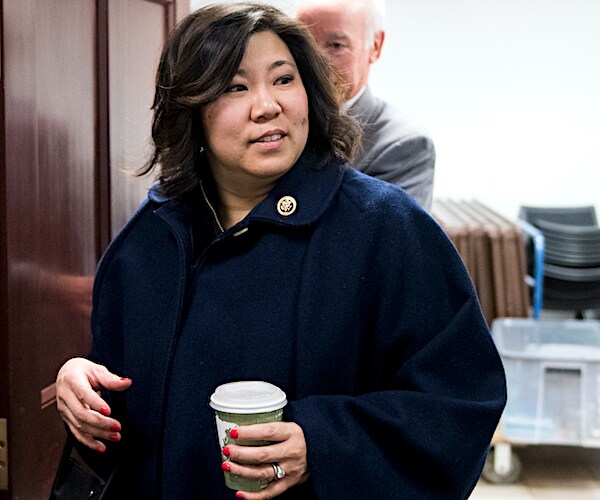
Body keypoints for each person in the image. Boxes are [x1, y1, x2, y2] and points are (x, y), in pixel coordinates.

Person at [54, 3, 505, 499]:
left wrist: (322, 444)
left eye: (283, 79)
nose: (267, 105)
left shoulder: (385, 227)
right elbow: (119, 375)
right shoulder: (154, 229)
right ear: (191, 109)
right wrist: (82, 383)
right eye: (235, 86)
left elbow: (460, 402)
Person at [296, 0, 436, 211]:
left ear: (375, 46)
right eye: (304, 43)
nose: (314, 63)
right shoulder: (272, 122)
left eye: (336, 46)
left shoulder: (403, 145)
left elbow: (384, 240)